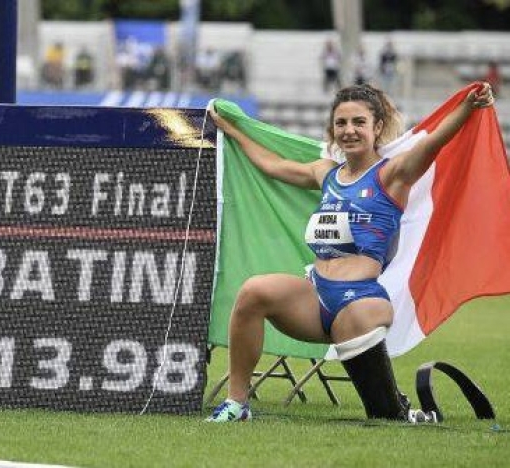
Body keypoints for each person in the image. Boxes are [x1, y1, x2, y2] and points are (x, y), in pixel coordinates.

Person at [205, 81, 495, 423]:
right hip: (315, 297)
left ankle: (396, 408)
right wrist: (232, 130)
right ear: (332, 130)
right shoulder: (325, 172)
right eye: (341, 123)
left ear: (377, 128)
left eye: (359, 122)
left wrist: (469, 106)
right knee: (253, 291)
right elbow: (271, 166)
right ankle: (237, 404)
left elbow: (434, 142)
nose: (349, 130)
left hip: (361, 300)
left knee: (383, 416)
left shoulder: (392, 174)